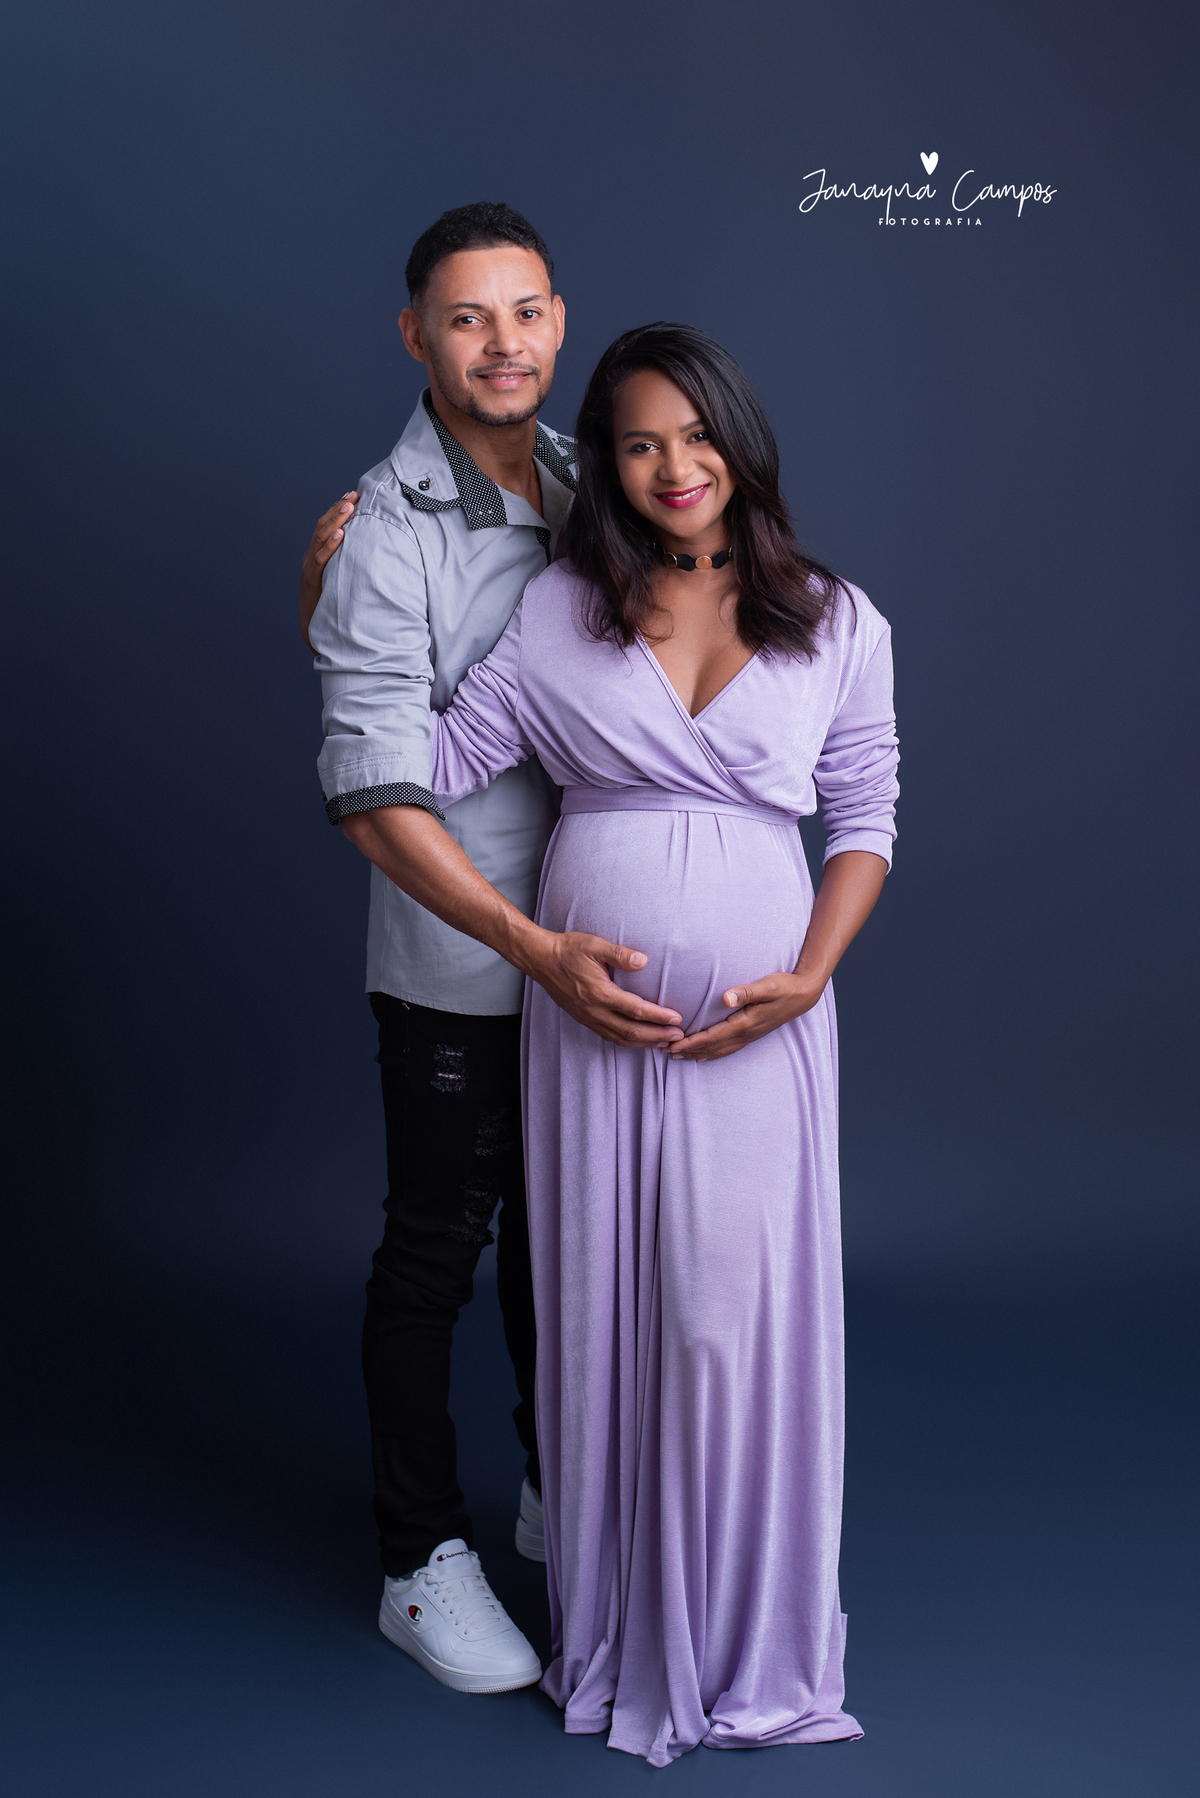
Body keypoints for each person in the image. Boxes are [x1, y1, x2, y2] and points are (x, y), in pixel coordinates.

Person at [324, 321, 899, 1764]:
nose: (673, 466)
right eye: (639, 443)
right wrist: (332, 609)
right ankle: (624, 1611)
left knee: (721, 1320)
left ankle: (742, 1629)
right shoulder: (560, 612)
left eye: (696, 436)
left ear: (740, 443)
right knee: (604, 1317)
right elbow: (421, 763)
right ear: (610, 463)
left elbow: (866, 813)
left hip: (762, 1029)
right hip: (590, 1029)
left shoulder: (837, 617)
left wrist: (810, 975)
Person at [303, 202, 682, 1698]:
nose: (502, 344)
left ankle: (552, 1485)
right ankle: (419, 1558)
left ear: (560, 320)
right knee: (435, 1252)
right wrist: (530, 945)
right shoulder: (383, 530)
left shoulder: (603, 476)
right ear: (417, 336)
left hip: (596, 948)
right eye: (467, 318)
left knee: (563, 1240)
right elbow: (375, 797)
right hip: (471, 964)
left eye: (524, 312)